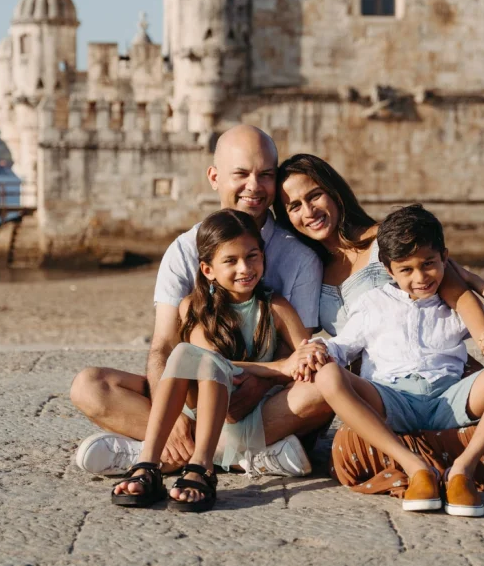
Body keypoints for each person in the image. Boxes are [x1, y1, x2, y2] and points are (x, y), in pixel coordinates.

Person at [71, 125, 332, 480]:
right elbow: (165, 346)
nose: (254, 186)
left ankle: (154, 453)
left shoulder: (299, 258)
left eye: (265, 175)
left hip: (261, 402)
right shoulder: (183, 251)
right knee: (89, 385)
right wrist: (173, 415)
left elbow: (299, 354)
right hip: (192, 395)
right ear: (214, 177)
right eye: (240, 174)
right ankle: (240, 455)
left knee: (328, 385)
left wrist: (256, 387)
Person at [296, 204, 484, 516]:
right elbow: (341, 347)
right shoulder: (373, 303)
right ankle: (417, 468)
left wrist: (465, 276)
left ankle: (463, 469)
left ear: (444, 258)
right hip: (392, 400)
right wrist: (317, 348)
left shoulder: (457, 304)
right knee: (328, 375)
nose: (421, 277)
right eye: (406, 269)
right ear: (388, 269)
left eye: (429, 264)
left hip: (449, 400)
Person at [112, 209, 326, 512]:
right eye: (231, 260)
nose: (245, 268)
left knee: (328, 380)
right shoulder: (194, 307)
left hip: (246, 416)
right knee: (187, 354)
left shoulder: (274, 306)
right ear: (208, 269)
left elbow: (303, 353)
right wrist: (279, 367)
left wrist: (309, 355)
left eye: (253, 256)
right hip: (198, 414)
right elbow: (213, 362)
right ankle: (154, 463)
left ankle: (198, 462)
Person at [275, 152, 484, 360]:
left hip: (427, 373)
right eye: (294, 206)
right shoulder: (309, 266)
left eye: (315, 196)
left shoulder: (386, 239)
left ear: (335, 193)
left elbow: (458, 295)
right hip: (368, 388)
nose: (308, 211)